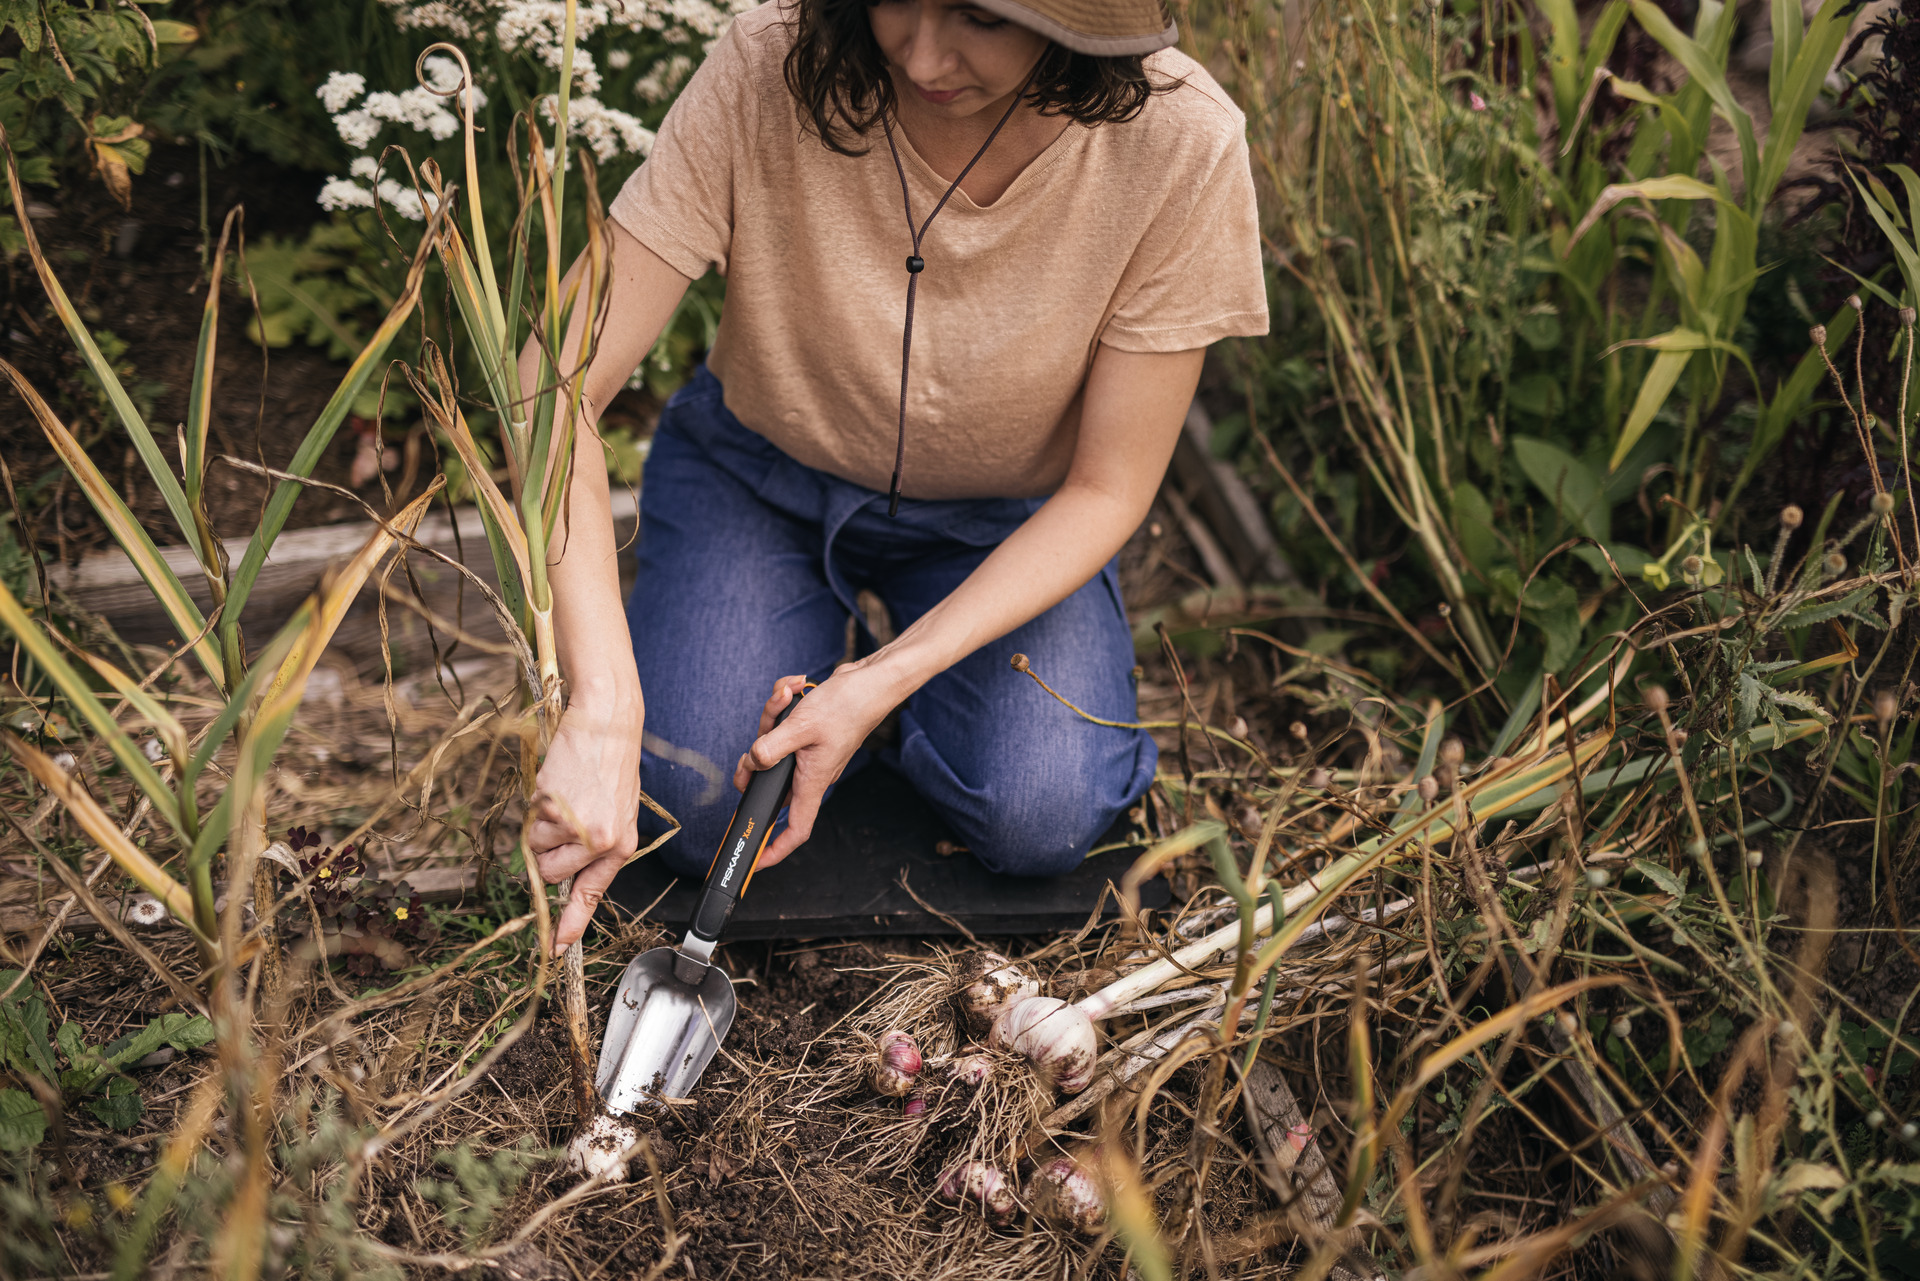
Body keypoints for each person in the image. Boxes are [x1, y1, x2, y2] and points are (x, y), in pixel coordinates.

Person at [523, 0, 1268, 952]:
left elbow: (1107, 490)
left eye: (979, 17)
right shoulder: (767, 61)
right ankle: (831, 679)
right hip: (761, 481)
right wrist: (604, 704)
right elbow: (552, 390)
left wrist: (882, 680)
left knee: (1040, 814)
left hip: (1001, 525)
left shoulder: (1183, 143)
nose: (921, 57)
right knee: (697, 809)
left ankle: (879, 690)